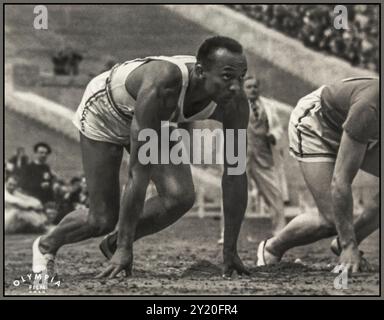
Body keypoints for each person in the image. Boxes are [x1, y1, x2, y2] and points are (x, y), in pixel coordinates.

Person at [32, 36, 250, 279]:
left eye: (242, 77)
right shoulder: (164, 84)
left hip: (156, 118)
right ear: (200, 72)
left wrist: (230, 251)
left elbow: (236, 174)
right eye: (228, 77)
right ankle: (46, 245)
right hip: (106, 112)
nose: (236, 87)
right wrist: (127, 250)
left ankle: (114, 243)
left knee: (179, 196)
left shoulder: (235, 103)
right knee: (101, 219)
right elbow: (138, 173)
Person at [257, 77, 379, 273]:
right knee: (332, 220)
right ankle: (272, 248)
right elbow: (341, 181)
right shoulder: (369, 106)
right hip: (316, 122)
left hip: (356, 127)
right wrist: (349, 246)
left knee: (342, 223)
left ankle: (344, 241)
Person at [243, 76, 286, 235]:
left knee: (275, 193)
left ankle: (280, 231)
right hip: (240, 156)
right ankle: (226, 233)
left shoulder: (268, 106)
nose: (253, 89)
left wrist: (273, 135)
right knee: (232, 194)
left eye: (255, 86)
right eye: (249, 87)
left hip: (263, 155)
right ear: (243, 89)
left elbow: (277, 127)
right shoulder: (234, 105)